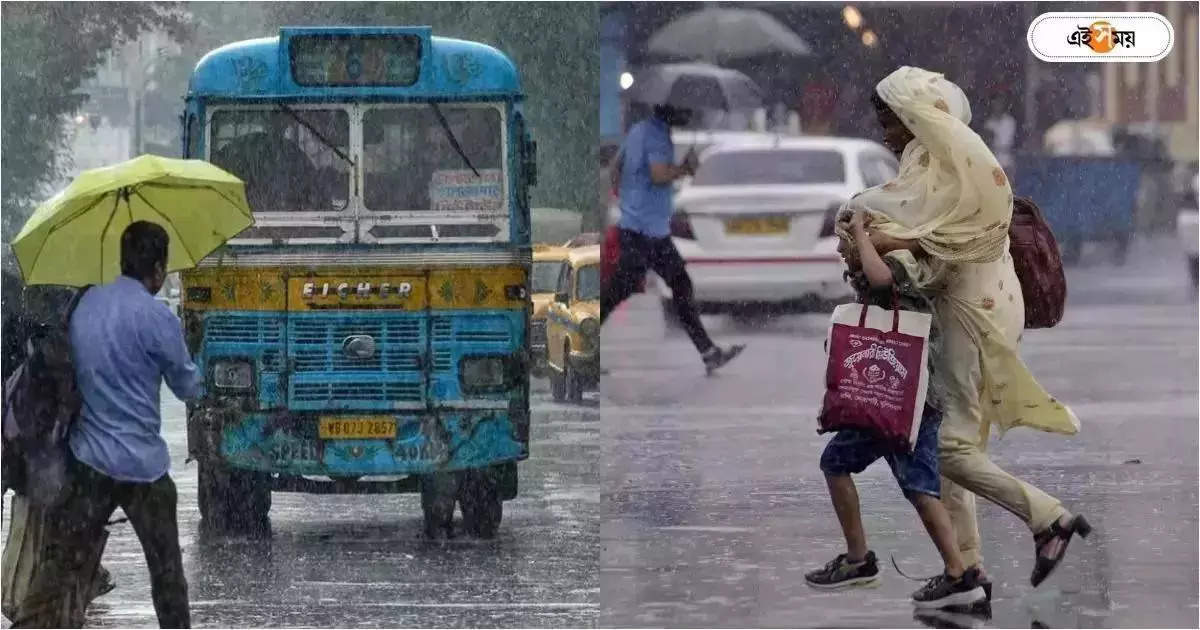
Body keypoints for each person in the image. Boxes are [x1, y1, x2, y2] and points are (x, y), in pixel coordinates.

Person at [847, 66, 1090, 599]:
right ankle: (967, 573)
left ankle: (1048, 518)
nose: (884, 132)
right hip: (982, 311)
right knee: (957, 438)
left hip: (968, 318)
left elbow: (941, 257)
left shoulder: (956, 174)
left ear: (915, 119)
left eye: (889, 121)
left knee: (947, 448)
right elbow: (926, 234)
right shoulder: (941, 166)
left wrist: (884, 246)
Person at [14, 222, 201, 628]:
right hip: (145, 470)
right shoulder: (157, 318)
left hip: (89, 463)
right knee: (167, 575)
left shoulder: (84, 306)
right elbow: (188, 387)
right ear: (157, 268)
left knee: (62, 566)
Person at [805, 210, 986, 610]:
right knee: (838, 463)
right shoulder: (875, 267)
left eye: (843, 241)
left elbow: (883, 278)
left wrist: (860, 234)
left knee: (920, 489)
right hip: (884, 397)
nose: (840, 249)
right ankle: (860, 559)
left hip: (910, 401)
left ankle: (959, 573)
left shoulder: (900, 260)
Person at [1, 269, 116, 622]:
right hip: (52, 472)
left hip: (52, 472)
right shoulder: (57, 349)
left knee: (53, 554)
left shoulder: (40, 328)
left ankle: (55, 600)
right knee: (53, 557)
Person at [601, 102, 744, 375]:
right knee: (675, 285)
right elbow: (657, 174)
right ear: (668, 109)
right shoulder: (656, 135)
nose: (688, 113)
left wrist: (629, 201)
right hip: (648, 233)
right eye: (684, 110)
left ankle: (708, 351)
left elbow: (615, 170)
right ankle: (708, 352)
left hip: (637, 228)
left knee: (622, 289)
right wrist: (684, 168)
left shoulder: (638, 131)